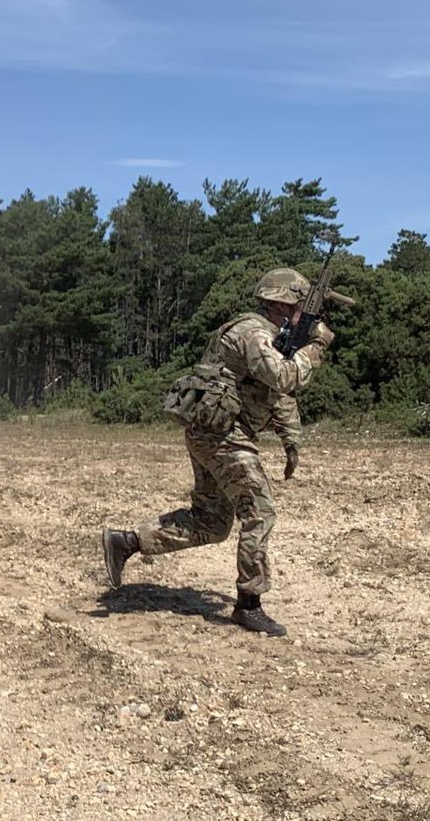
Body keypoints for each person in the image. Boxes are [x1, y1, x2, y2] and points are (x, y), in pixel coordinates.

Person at [102, 268, 336, 637]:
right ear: (281, 302)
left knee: (211, 523)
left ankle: (127, 541)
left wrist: (291, 440)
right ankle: (249, 604)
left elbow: (276, 395)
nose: (303, 315)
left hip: (216, 433)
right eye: (298, 307)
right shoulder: (253, 333)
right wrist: (317, 347)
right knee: (260, 512)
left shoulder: (272, 336)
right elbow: (285, 377)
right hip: (224, 436)